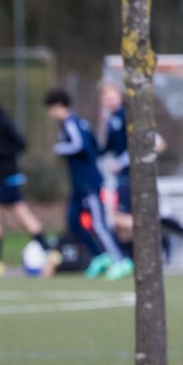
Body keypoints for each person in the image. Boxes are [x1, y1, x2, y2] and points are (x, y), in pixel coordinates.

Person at [97, 80, 183, 261]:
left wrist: (122, 163)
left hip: (134, 177)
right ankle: (132, 259)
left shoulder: (128, 116)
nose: (109, 100)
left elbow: (157, 143)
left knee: (122, 219)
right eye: (106, 97)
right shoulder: (112, 119)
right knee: (124, 225)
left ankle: (163, 237)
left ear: (119, 95)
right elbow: (106, 148)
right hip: (123, 177)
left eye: (112, 95)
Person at [43, 88, 133, 281]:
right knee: (73, 221)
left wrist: (59, 148)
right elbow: (97, 147)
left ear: (58, 106)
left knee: (99, 224)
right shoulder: (75, 123)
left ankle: (120, 260)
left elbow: (81, 145)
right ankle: (101, 256)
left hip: (89, 183)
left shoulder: (72, 123)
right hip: (78, 186)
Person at [0, 82, 52, 278]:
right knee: (22, 215)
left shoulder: (1, 120)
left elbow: (20, 144)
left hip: (6, 176)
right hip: (1, 176)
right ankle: (49, 251)